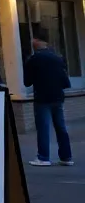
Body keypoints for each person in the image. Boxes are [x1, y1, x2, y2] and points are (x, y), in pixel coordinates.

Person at [25, 29, 73, 167]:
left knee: (43, 128)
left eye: (33, 39)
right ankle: (66, 157)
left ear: (37, 40)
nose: (32, 42)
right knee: (61, 127)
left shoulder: (33, 59)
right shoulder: (57, 58)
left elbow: (27, 82)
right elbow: (65, 81)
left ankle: (43, 157)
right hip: (57, 97)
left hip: (42, 98)